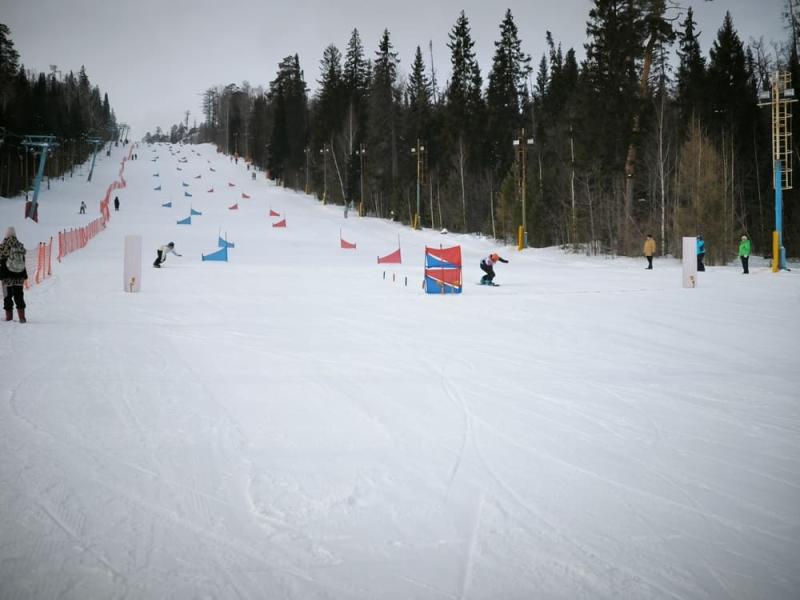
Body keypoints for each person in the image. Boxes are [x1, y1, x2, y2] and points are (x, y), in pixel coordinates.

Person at [0, 227, 28, 323]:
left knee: (7, 296)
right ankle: (22, 318)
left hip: (6, 276)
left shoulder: (3, 246)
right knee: (19, 295)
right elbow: (23, 261)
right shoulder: (20, 246)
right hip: (19, 276)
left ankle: (9, 318)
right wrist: (24, 275)